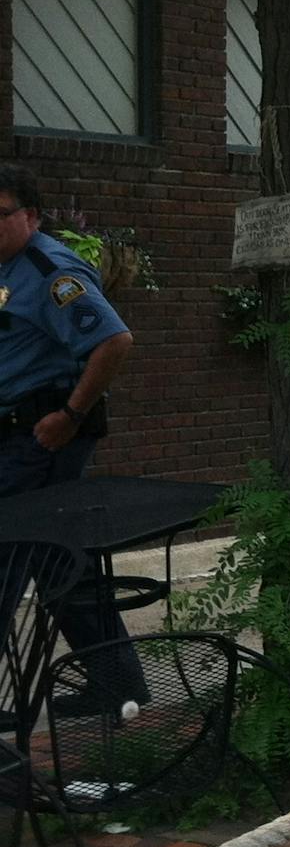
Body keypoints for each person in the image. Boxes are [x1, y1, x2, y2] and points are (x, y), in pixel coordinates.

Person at [0, 167, 139, 698]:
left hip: (40, 438)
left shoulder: (50, 268)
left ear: (31, 216)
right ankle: (117, 685)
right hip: (14, 436)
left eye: (2, 213)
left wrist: (72, 416)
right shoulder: (9, 269)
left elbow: (115, 341)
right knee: (59, 562)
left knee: (10, 554)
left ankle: (117, 684)